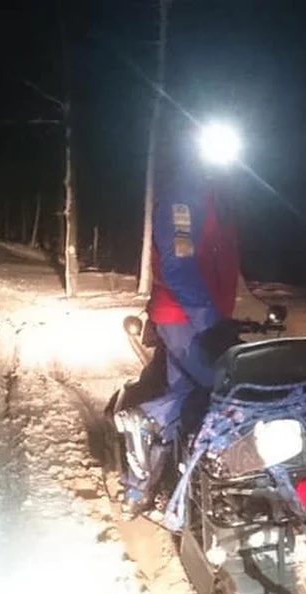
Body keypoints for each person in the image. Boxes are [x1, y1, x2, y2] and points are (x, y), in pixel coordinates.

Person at [115, 130, 269, 517]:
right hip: (184, 316)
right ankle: (233, 489)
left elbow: (229, 270)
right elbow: (179, 266)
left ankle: (144, 441)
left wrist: (251, 312)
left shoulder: (216, 201)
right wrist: (210, 321)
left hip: (205, 316)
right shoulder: (182, 198)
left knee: (186, 391)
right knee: (233, 392)